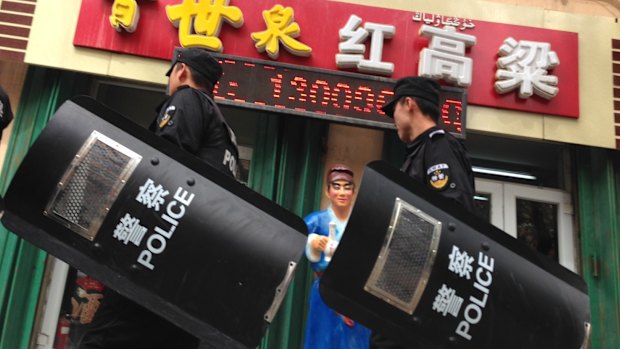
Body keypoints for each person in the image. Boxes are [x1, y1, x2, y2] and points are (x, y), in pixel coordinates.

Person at [76, 48, 239, 349]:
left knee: (106, 337)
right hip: (188, 271)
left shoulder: (187, 99)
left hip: (156, 255)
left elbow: (164, 165)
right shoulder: (226, 133)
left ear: (181, 71)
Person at [370, 76, 476, 349]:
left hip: (422, 290)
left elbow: (455, 217)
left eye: (393, 109)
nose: (392, 117)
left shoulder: (439, 147)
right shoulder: (418, 153)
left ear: (408, 103)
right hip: (405, 285)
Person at [303, 165, 371, 349]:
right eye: (337, 186)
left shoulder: (362, 224)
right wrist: (313, 243)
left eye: (347, 187)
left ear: (353, 192)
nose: (342, 192)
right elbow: (298, 240)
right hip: (325, 290)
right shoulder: (316, 221)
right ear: (327, 191)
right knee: (323, 339)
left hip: (354, 294)